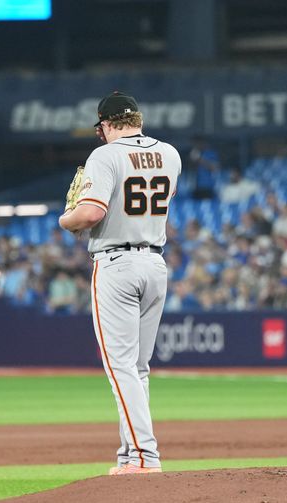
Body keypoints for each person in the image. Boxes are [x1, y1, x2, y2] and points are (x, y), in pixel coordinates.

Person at [59, 91, 180, 475]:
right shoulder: (171, 154)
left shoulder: (106, 155)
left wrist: (66, 219)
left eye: (101, 128)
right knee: (138, 368)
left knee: (119, 367)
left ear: (107, 124)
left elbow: (91, 213)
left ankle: (144, 456)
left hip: (117, 264)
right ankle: (131, 455)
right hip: (155, 262)